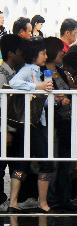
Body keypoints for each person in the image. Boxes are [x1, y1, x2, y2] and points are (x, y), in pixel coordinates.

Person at [8, 39, 54, 213]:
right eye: (43, 53)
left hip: (32, 122)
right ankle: (43, 203)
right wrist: (37, 86)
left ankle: (13, 202)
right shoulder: (29, 70)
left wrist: (53, 98)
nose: (46, 56)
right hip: (33, 123)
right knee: (45, 162)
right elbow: (14, 83)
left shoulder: (38, 71)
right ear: (35, 55)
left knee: (23, 161)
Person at [43, 37, 77, 211]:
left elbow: (70, 90)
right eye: (59, 50)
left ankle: (64, 198)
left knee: (66, 162)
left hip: (66, 122)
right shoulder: (41, 71)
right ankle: (51, 198)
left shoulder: (61, 71)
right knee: (53, 161)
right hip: (52, 123)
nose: (63, 53)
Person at [0, 34, 25, 206]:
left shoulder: (14, 73)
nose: (22, 55)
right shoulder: (2, 75)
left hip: (12, 127)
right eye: (20, 51)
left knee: (17, 164)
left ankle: (13, 200)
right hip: (5, 128)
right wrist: (7, 129)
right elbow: (3, 105)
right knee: (2, 166)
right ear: (11, 53)